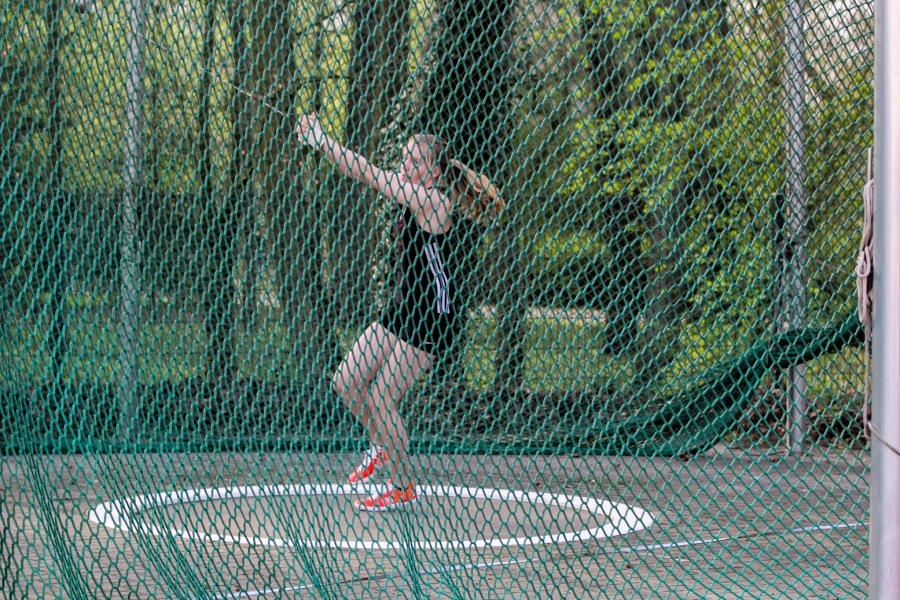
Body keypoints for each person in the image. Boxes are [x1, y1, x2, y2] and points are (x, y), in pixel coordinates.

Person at [296, 113, 503, 510]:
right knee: (346, 380)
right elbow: (363, 171)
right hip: (405, 304)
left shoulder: (433, 200)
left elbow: (369, 174)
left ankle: (403, 486)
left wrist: (323, 139)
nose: (406, 167)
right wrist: (322, 144)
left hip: (433, 314)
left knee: (381, 396)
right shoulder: (413, 191)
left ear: (436, 174)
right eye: (405, 159)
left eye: (416, 163)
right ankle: (383, 444)